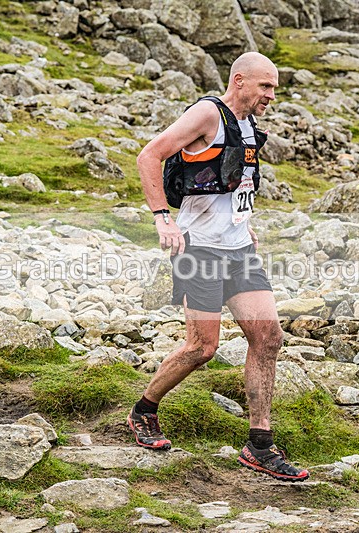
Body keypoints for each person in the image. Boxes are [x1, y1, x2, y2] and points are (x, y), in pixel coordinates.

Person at [128, 52, 309, 482]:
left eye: (275, 89)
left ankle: (259, 446)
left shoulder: (248, 125)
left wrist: (243, 226)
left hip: (239, 249)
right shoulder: (207, 113)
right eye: (265, 87)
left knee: (268, 338)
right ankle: (143, 411)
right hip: (200, 252)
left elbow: (235, 184)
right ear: (240, 80)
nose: (271, 96)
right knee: (201, 348)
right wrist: (162, 218)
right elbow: (149, 156)